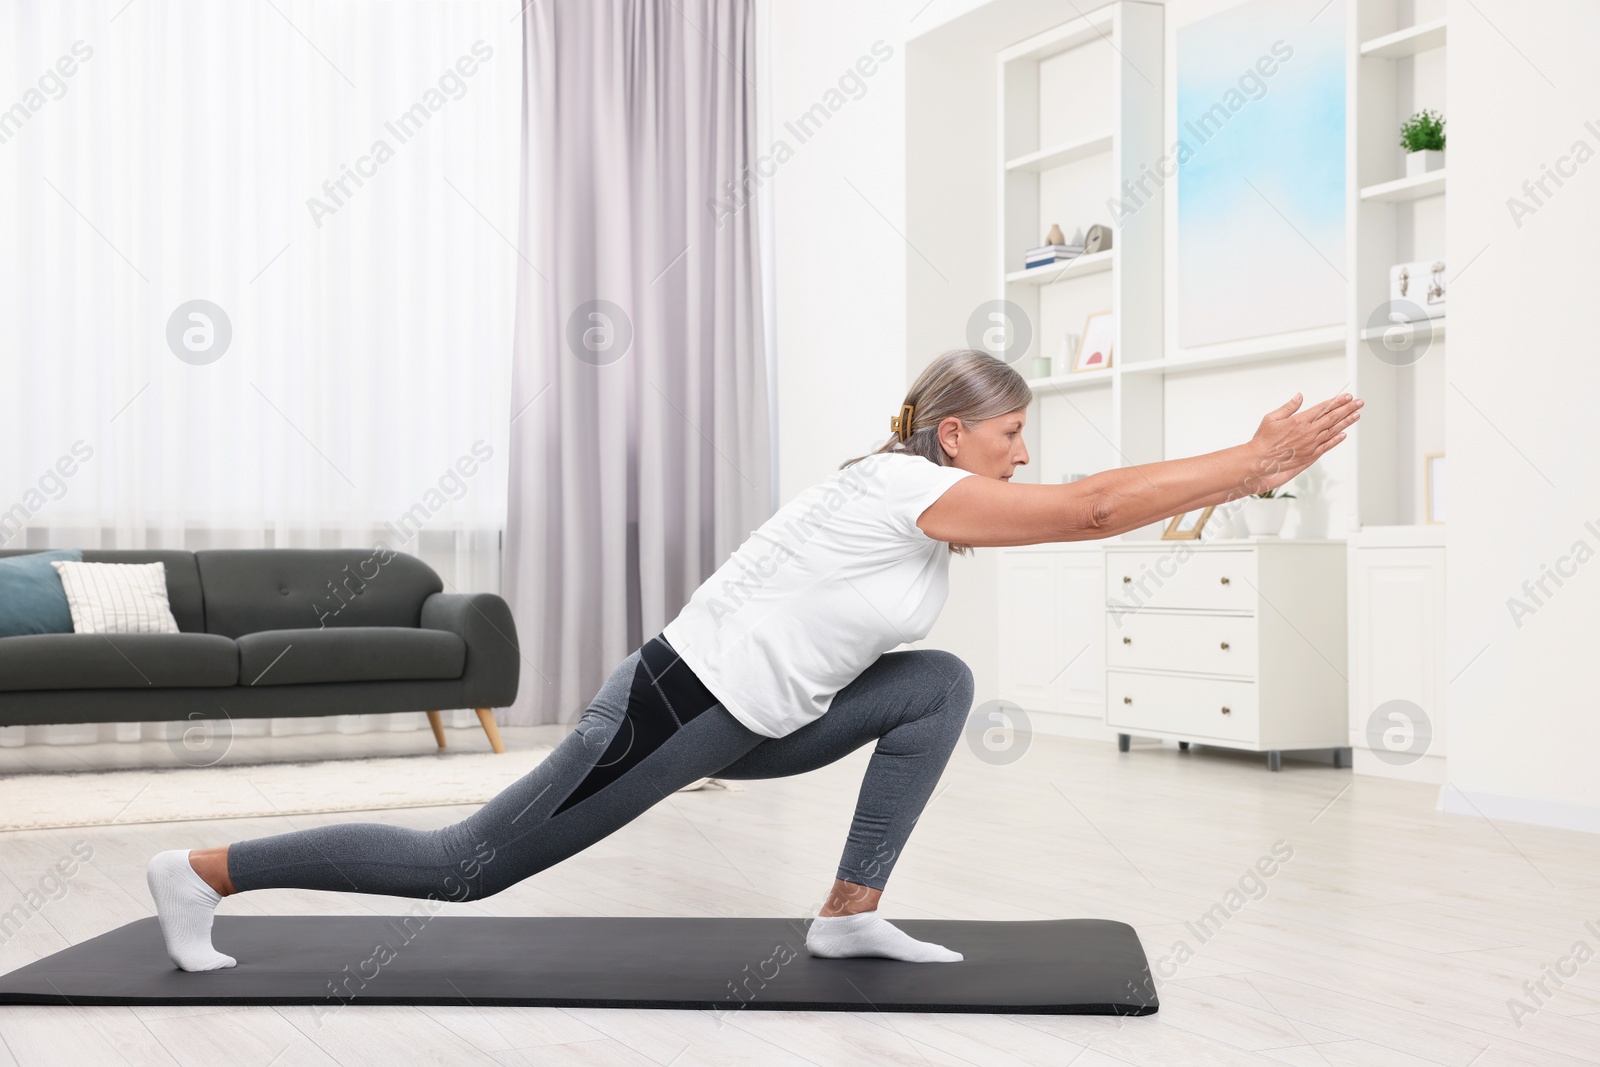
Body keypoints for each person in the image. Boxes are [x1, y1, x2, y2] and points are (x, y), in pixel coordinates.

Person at [146, 348, 1361, 971]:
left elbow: (1086, 507)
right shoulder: (902, 486)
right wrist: (1245, 463)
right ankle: (204, 869)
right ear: (953, 432)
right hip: (671, 707)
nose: (1019, 453)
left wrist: (1236, 474)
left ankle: (847, 914)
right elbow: (1090, 509)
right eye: (1009, 434)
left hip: (757, 721)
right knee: (466, 866)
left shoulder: (919, 496)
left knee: (934, 683)